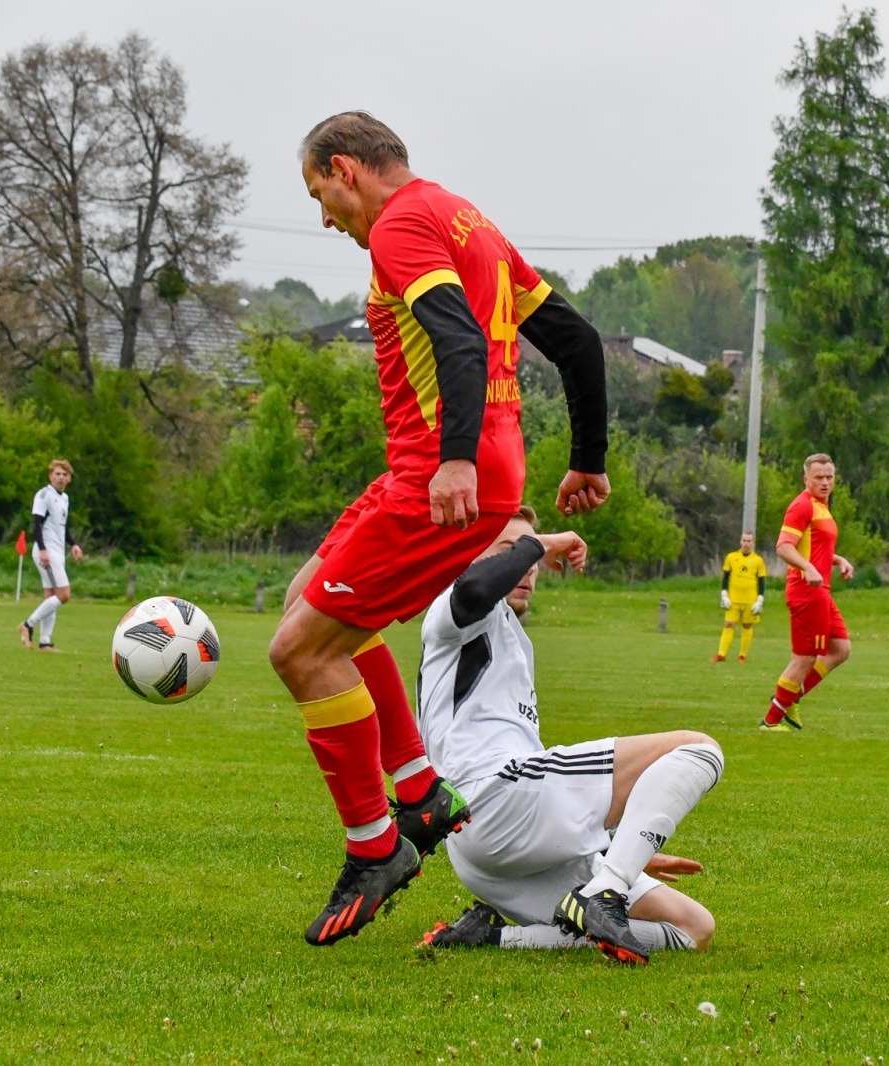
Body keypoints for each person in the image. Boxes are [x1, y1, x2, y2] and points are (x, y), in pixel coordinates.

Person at [271, 111, 610, 947]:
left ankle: (375, 847)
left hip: (440, 473)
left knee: (299, 653)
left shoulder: (400, 225)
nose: (326, 218)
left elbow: (455, 336)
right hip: (459, 468)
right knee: (302, 609)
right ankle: (420, 788)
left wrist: (455, 459)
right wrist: (587, 459)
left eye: (320, 195)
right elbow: (577, 339)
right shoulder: (470, 220)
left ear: (345, 169)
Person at [416, 508, 721, 965]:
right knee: (698, 749)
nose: (528, 567)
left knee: (692, 929)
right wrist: (542, 542)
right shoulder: (454, 612)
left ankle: (487, 937)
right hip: (497, 797)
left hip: (492, 845)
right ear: (470, 555)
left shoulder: (510, 636)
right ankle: (605, 893)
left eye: (530, 559)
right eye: (512, 551)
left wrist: (624, 846)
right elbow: (475, 588)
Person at [758, 454, 854, 732]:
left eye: (829, 477)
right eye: (819, 478)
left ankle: (788, 699)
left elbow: (811, 545)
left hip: (821, 590)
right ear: (806, 479)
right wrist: (808, 568)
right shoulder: (801, 506)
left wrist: (837, 560)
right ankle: (771, 720)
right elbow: (784, 547)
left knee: (840, 649)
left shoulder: (821, 506)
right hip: (806, 591)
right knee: (805, 657)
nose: (825, 482)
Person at [18, 460, 83, 652]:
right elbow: (36, 523)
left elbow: (62, 526)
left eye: (64, 474)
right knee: (64, 595)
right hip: (46, 552)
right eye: (57, 474)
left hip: (57, 552)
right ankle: (28, 624)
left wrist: (74, 544)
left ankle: (45, 642)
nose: (61, 477)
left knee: (51, 596)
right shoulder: (44, 494)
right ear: (50, 476)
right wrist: (43, 549)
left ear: (69, 478)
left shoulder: (64, 498)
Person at [714, 531, 767, 662]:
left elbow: (761, 582)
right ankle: (721, 654)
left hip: (750, 600)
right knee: (729, 624)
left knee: (747, 625)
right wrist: (724, 595)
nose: (746, 544)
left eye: (749, 541)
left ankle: (742, 655)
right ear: (740, 541)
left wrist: (760, 600)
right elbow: (725, 577)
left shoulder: (758, 560)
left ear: (753, 543)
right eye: (744, 540)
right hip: (733, 599)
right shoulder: (731, 557)